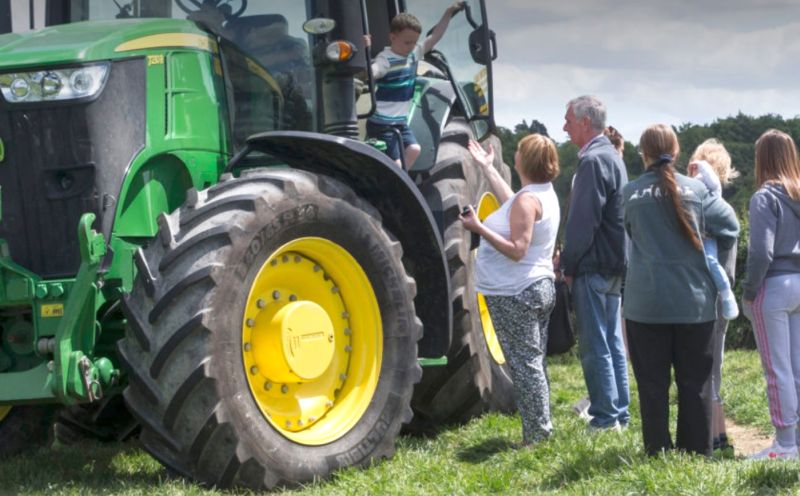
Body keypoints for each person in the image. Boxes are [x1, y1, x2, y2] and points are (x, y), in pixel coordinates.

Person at [623, 124, 739, 456]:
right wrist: (718, 266)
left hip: (645, 305)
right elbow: (730, 225)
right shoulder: (697, 192)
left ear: (642, 153)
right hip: (694, 302)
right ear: (676, 152)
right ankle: (695, 453)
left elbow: (630, 233)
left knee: (652, 386)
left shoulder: (630, 193)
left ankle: (657, 451)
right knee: (696, 385)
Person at [459, 134, 560, 446]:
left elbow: (517, 249)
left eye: (517, 152)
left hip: (516, 293)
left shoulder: (528, 201)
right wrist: (488, 169)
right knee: (533, 362)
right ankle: (542, 427)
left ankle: (537, 437)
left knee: (525, 366)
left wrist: (479, 229)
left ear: (524, 162)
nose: (513, 155)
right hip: (536, 288)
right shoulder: (540, 194)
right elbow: (514, 204)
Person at [560, 96, 630, 430]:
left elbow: (582, 222)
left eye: (568, 120)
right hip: (615, 264)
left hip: (593, 264)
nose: (564, 127)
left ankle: (604, 418)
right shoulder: (613, 157)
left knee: (595, 345)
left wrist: (568, 267)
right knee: (613, 342)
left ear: (586, 122)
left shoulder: (591, 161)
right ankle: (621, 413)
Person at [742, 129, 800, 461]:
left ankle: (784, 444)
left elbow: (760, 253)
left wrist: (750, 293)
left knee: (777, 369)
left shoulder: (764, 197)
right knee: (796, 367)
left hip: (774, 287)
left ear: (762, 159)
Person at [687, 138, 741, 455]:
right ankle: (718, 438)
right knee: (713, 368)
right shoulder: (724, 210)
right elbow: (730, 268)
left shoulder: (696, 209)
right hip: (721, 297)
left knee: (705, 371)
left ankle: (714, 438)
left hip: (700, 298)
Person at [365, 3, 464, 169]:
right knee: (396, 163)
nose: (411, 46)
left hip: (400, 122)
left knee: (414, 149)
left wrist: (448, 12)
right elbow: (374, 71)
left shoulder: (413, 54)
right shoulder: (385, 59)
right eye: (407, 42)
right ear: (393, 38)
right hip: (382, 123)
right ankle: (395, 186)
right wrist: (366, 53)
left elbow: (435, 36)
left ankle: (399, 182)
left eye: (414, 42)